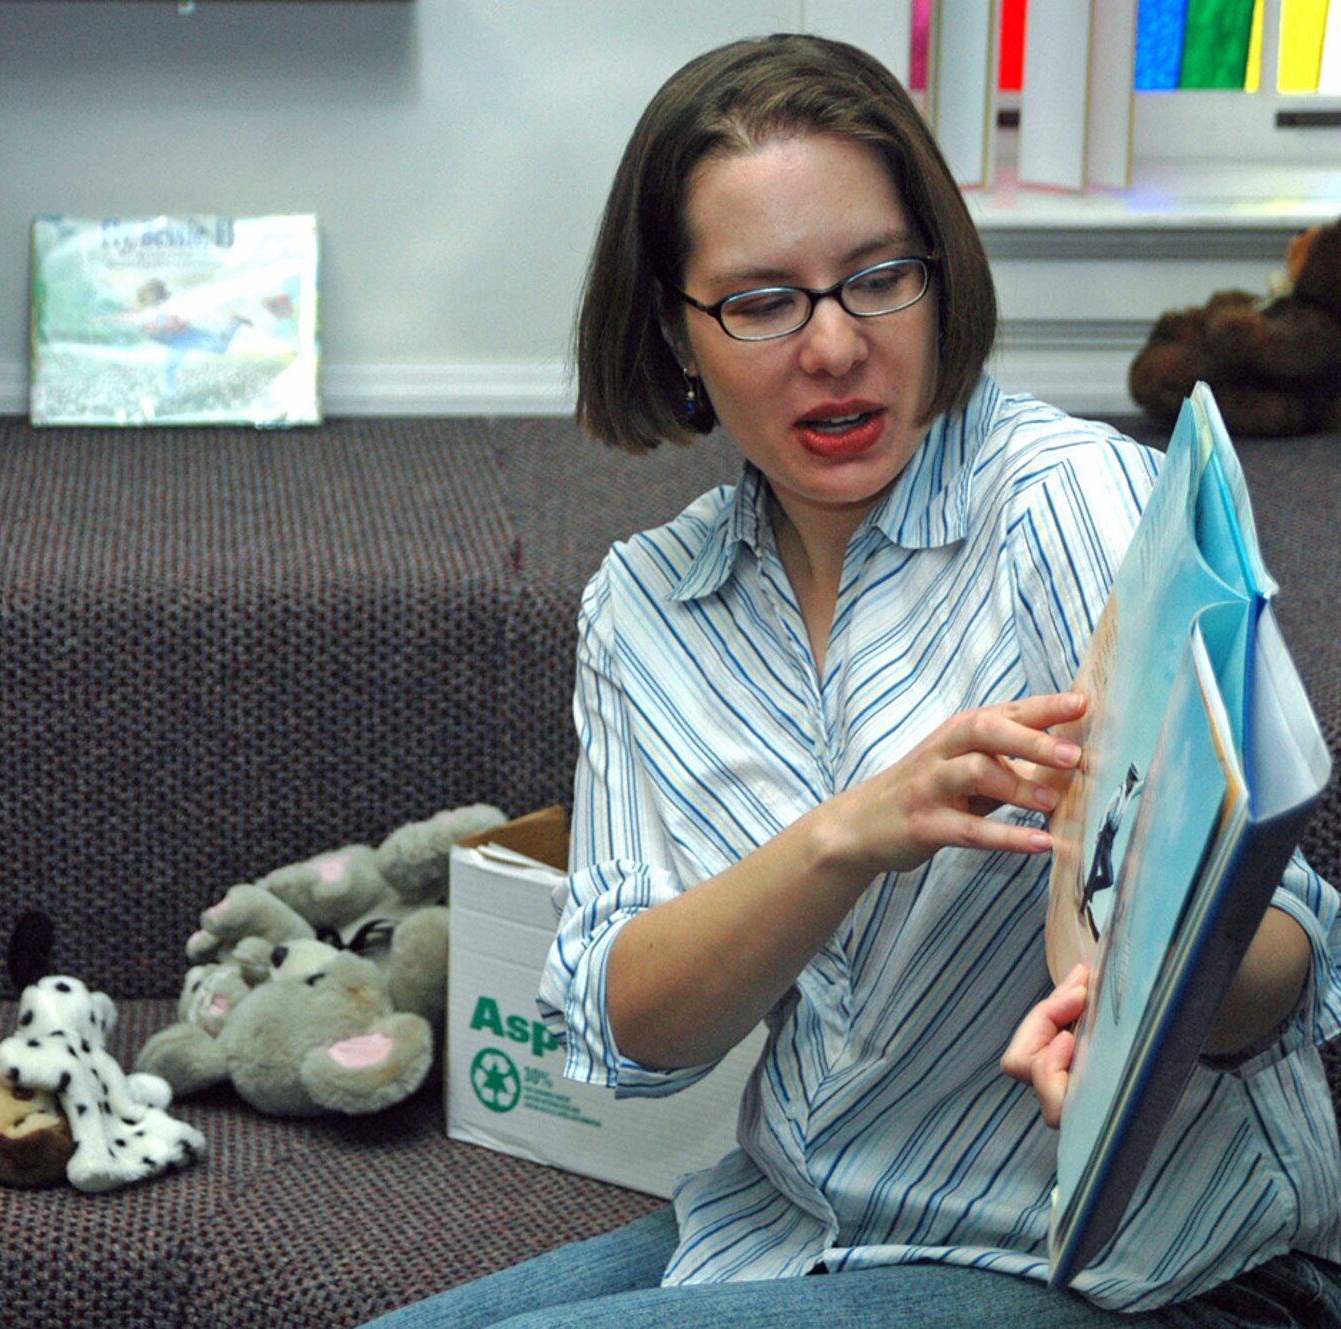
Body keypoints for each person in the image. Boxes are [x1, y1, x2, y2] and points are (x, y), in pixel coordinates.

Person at [360, 33, 1341, 1329]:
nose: (833, 346)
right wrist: (844, 837)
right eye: (761, 301)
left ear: (939, 278)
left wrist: (1157, 985)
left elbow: (1293, 962)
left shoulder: (1080, 506)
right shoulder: (650, 604)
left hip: (1152, 1268)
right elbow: (627, 1032)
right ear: (674, 331)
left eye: (877, 279)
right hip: (805, 1228)